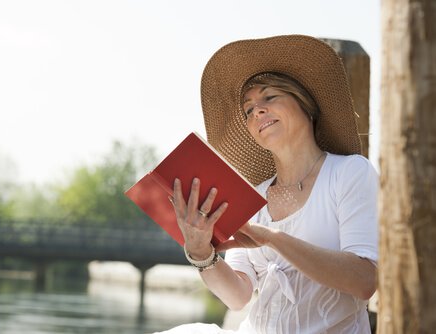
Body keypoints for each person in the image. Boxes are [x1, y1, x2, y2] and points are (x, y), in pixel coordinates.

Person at [159, 35, 378, 334]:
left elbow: (364, 281)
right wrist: (201, 253)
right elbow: (237, 296)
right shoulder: (255, 196)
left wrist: (273, 239)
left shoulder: (350, 172)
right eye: (249, 110)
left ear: (306, 105)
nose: (257, 110)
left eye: (269, 97)